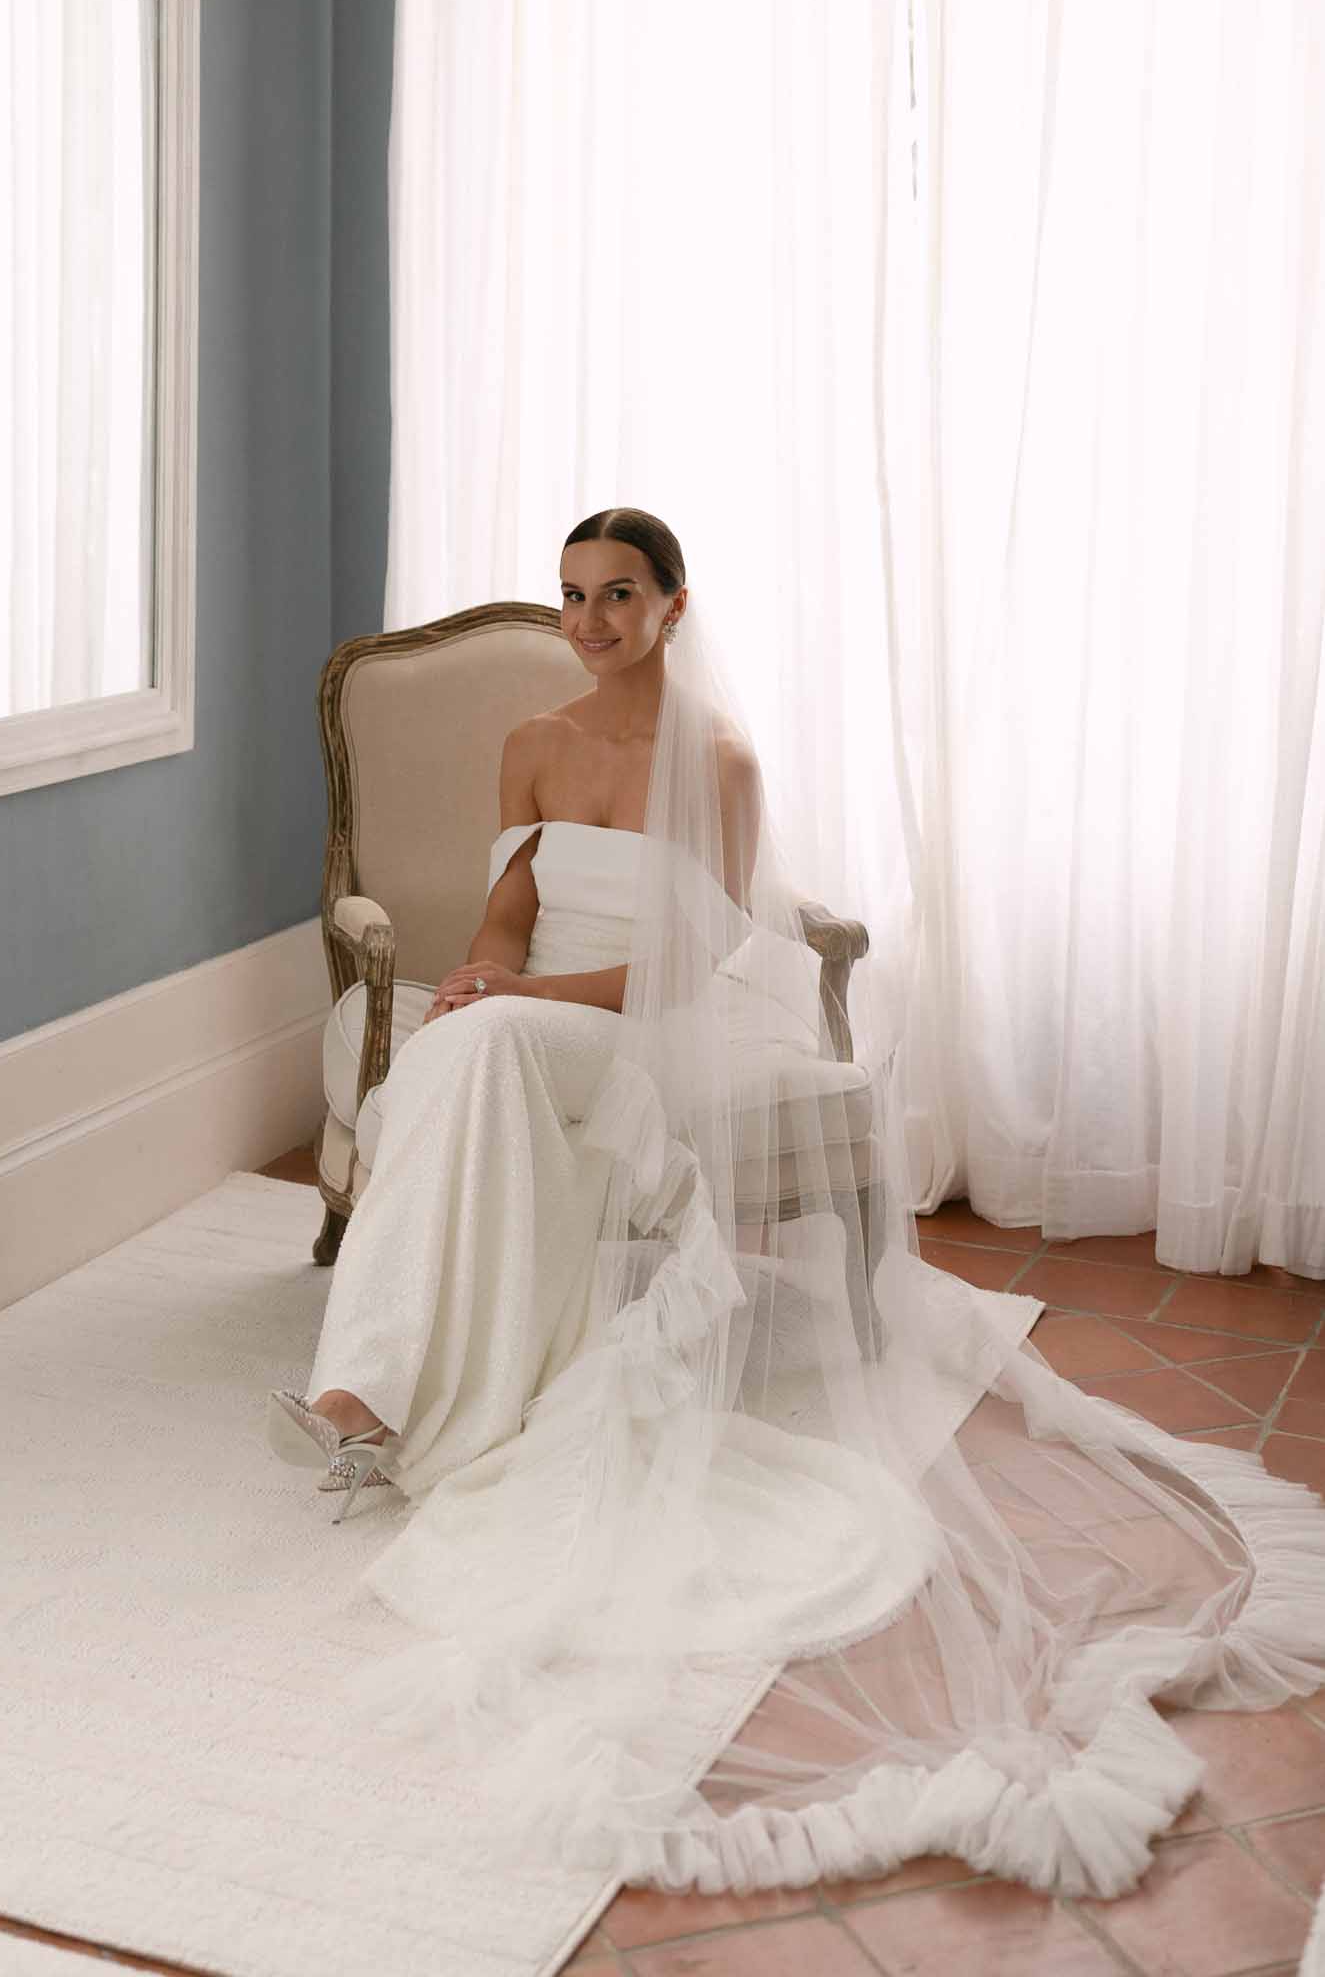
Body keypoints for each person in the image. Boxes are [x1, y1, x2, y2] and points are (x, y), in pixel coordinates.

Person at [266, 507, 1325, 1904]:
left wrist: (515, 1001)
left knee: (482, 1050)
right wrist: (479, 972)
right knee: (464, 1050)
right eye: (571, 595)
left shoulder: (718, 763)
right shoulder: (528, 740)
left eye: (617, 597)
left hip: (635, 1027)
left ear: (672, 607)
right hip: (525, 1013)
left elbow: (689, 972)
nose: (586, 622)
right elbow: (510, 909)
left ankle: (366, 1395)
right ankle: (396, 1389)